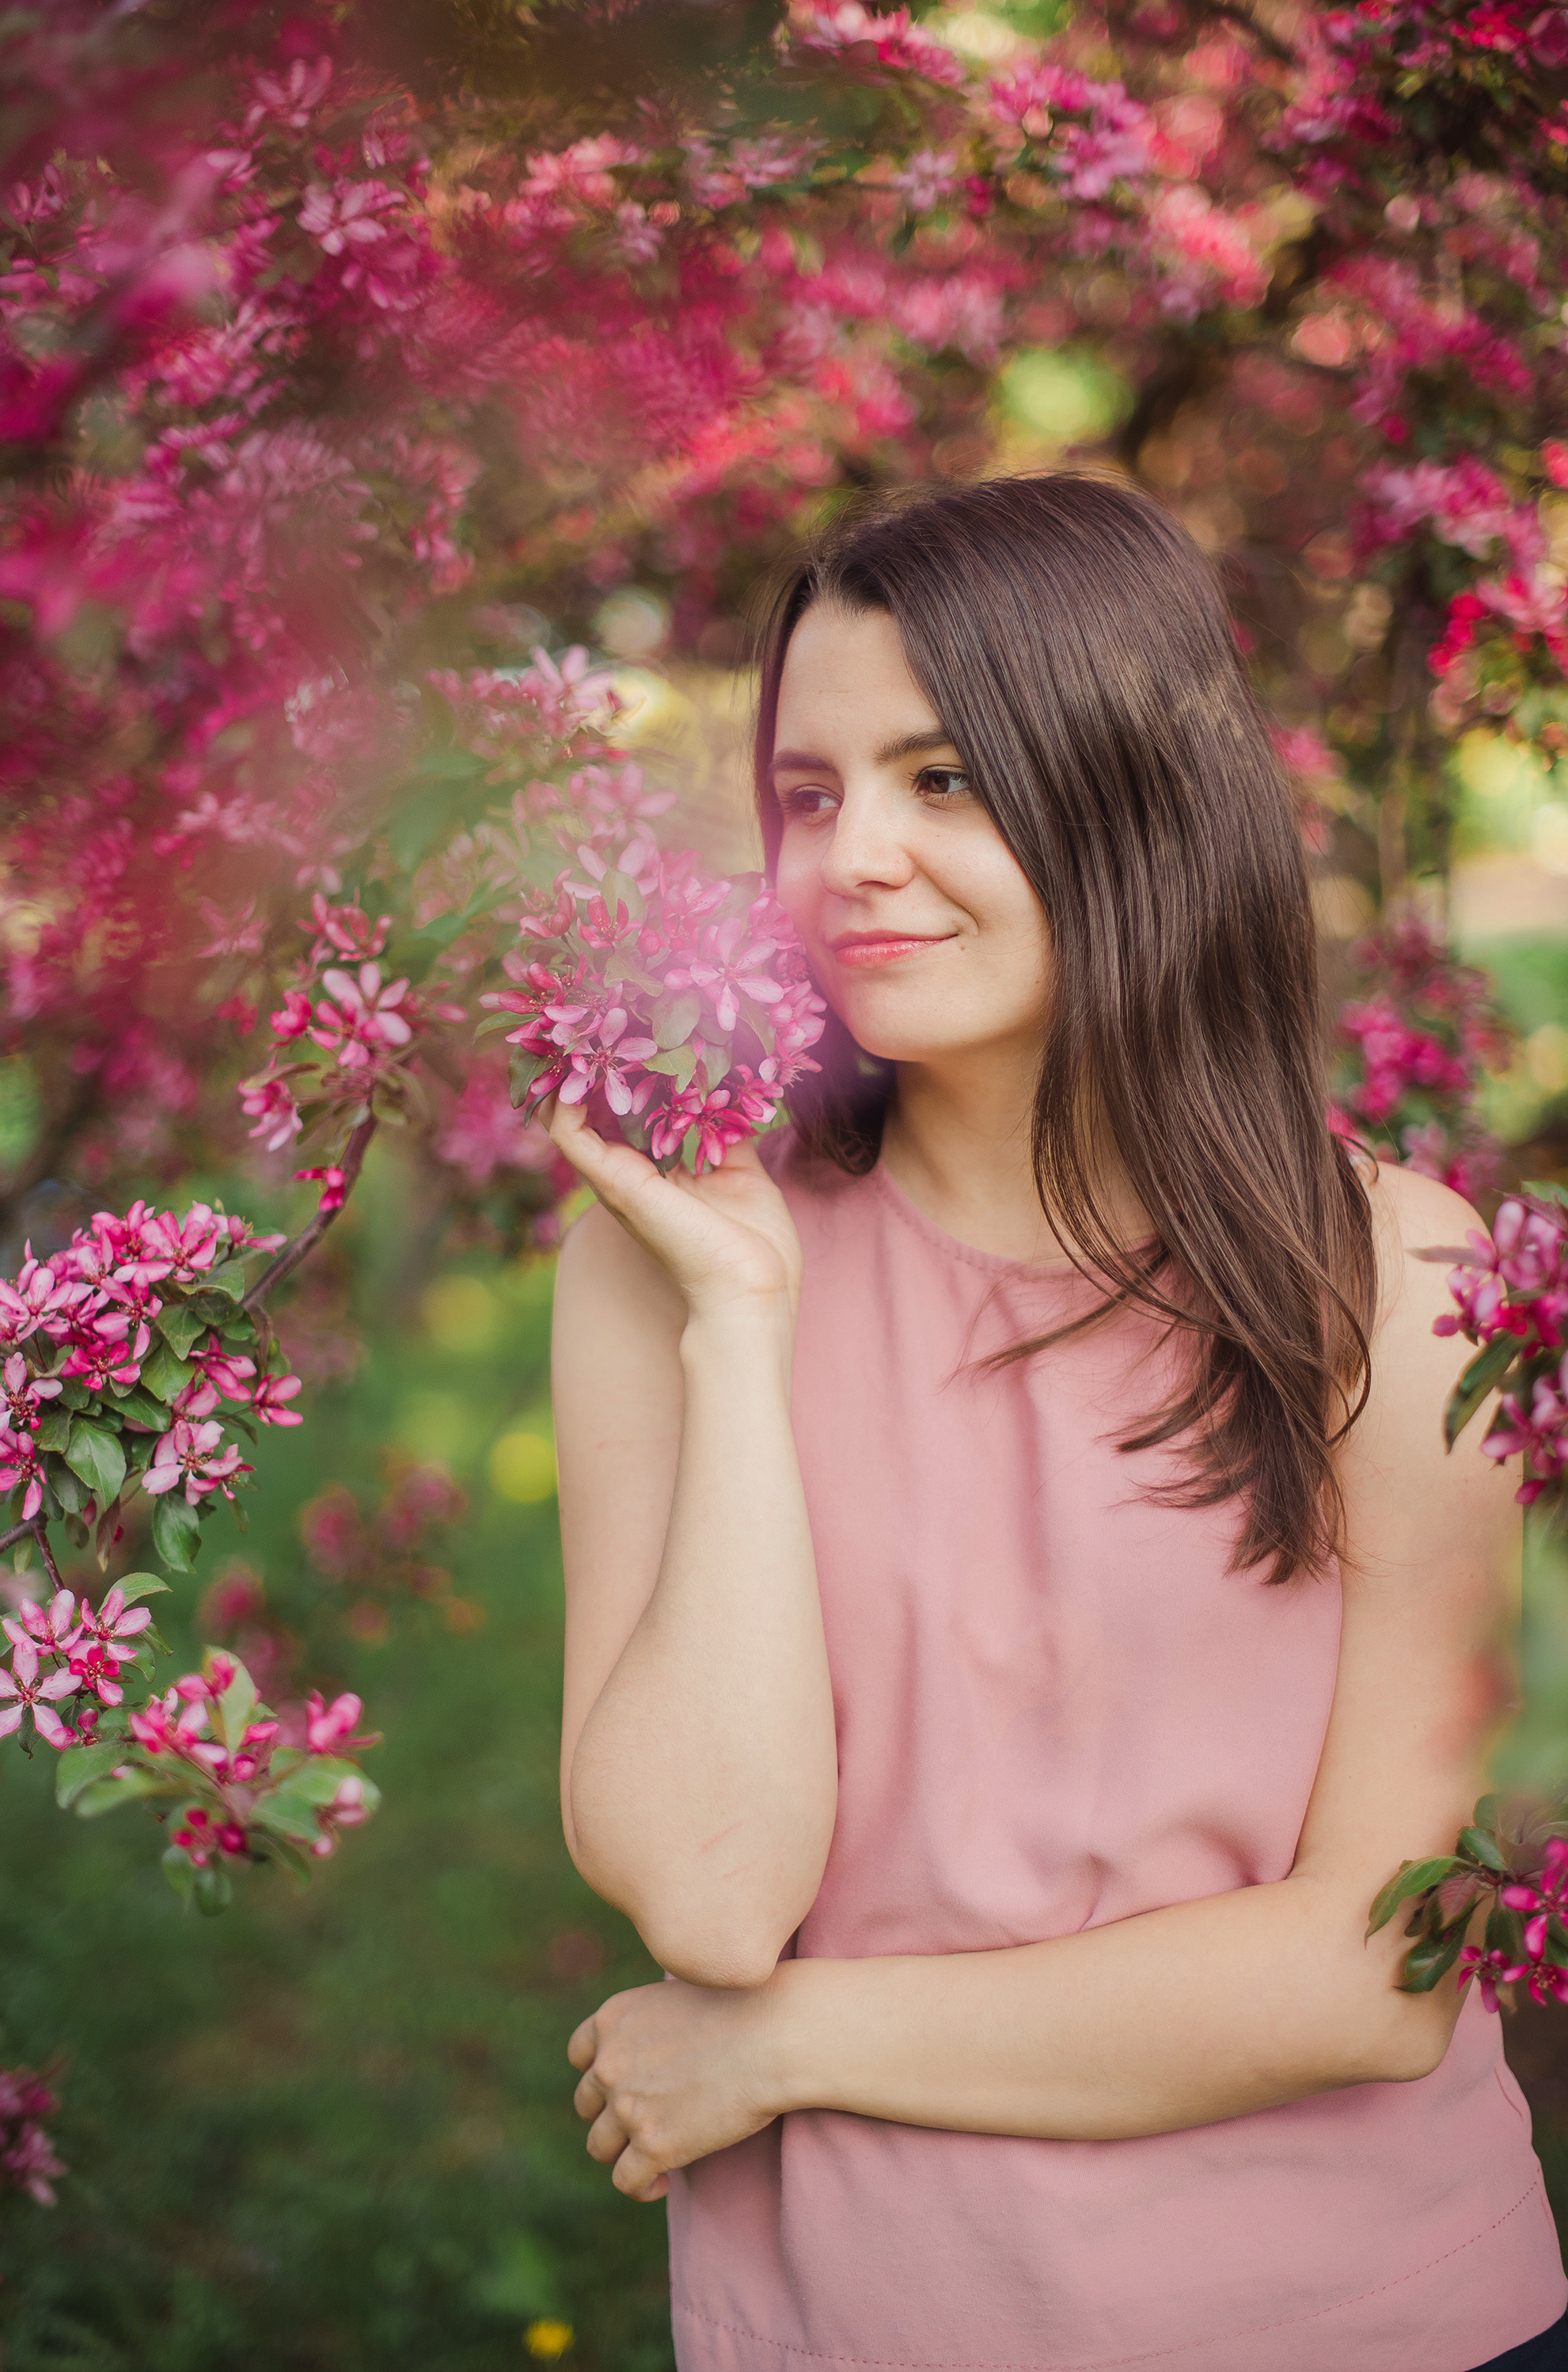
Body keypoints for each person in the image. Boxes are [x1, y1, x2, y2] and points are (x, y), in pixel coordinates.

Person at [543, 475, 1568, 2372]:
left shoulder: (1400, 1281)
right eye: (809, 791)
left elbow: (1372, 1971)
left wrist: (784, 2042)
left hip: (1375, 2320)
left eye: (943, 778)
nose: (850, 855)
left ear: (1128, 792)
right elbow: (707, 1884)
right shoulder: (666, 1264)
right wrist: (741, 1325)